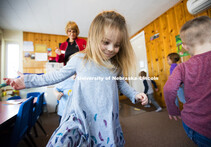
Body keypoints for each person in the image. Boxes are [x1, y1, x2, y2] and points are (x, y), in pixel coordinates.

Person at [4, 11, 148, 146]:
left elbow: (121, 84)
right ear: (94, 38)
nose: (111, 49)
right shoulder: (80, 59)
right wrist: (28, 81)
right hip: (79, 117)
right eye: (106, 42)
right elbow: (56, 75)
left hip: (106, 120)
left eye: (117, 45)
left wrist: (135, 94)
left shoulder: (115, 65)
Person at [164, 16, 211, 146]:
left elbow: (168, 89)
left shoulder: (182, 67)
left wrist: (172, 109)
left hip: (193, 124)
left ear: (185, 46)